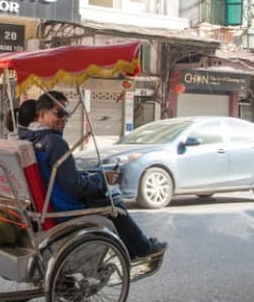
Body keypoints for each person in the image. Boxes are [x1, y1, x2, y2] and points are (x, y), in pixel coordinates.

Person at [27, 91, 167, 261]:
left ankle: (133, 249)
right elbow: (74, 186)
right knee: (114, 202)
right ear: (42, 114)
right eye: (59, 113)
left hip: (51, 201)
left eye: (67, 114)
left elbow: (64, 176)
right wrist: (103, 180)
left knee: (106, 193)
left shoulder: (33, 139)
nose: (64, 119)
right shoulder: (55, 143)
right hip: (64, 207)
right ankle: (142, 249)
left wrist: (97, 176)